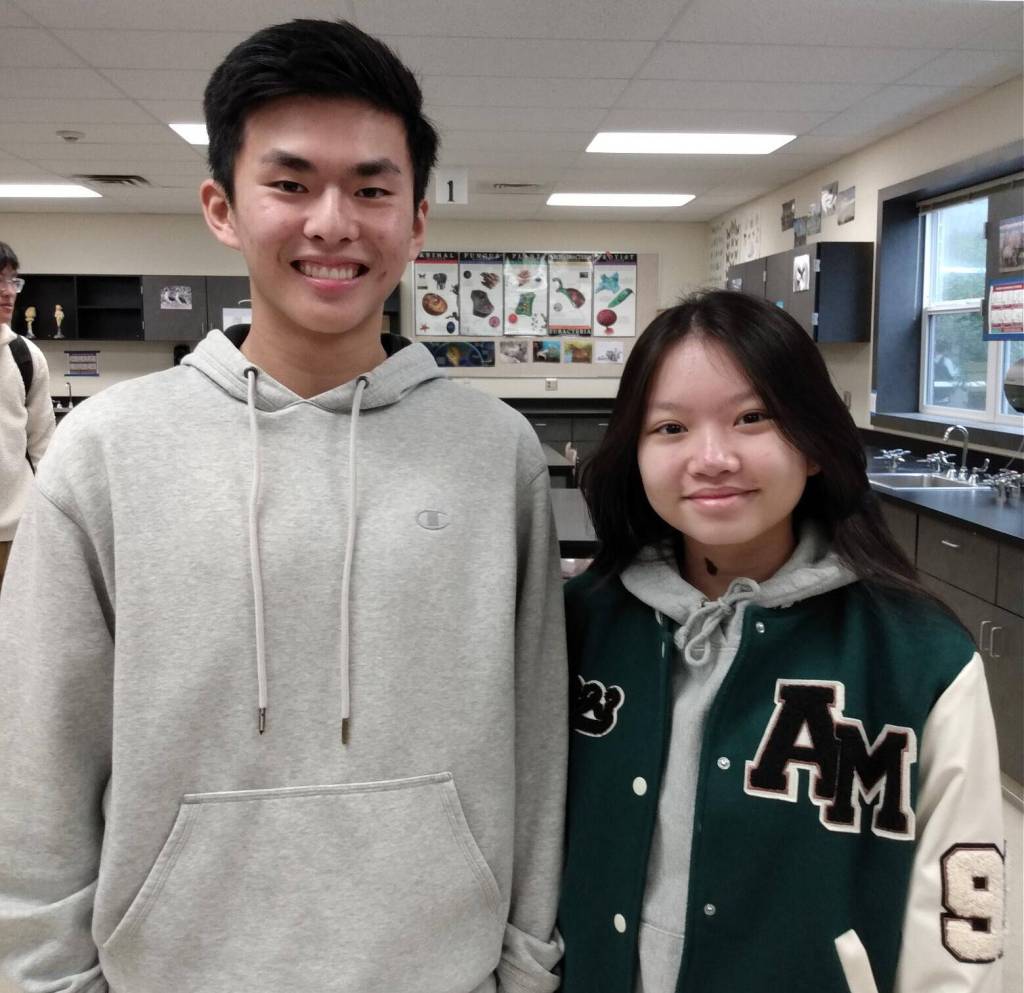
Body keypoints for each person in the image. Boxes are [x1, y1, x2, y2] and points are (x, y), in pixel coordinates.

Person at [0, 20, 566, 993]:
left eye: (373, 188)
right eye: (291, 184)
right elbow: (36, 771)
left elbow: (535, 749)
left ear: (418, 218)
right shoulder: (104, 455)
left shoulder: (494, 455)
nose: (333, 222)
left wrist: (521, 969)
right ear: (222, 206)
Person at [558, 290, 1004, 993]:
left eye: (752, 418)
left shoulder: (918, 660)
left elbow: (965, 907)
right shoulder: (576, 629)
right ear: (634, 453)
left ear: (815, 441)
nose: (711, 457)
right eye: (670, 427)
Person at [0, 240, 55, 589]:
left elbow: (44, 449)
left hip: (16, 532)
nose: (8, 292)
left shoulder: (25, 357)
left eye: (13, 281)